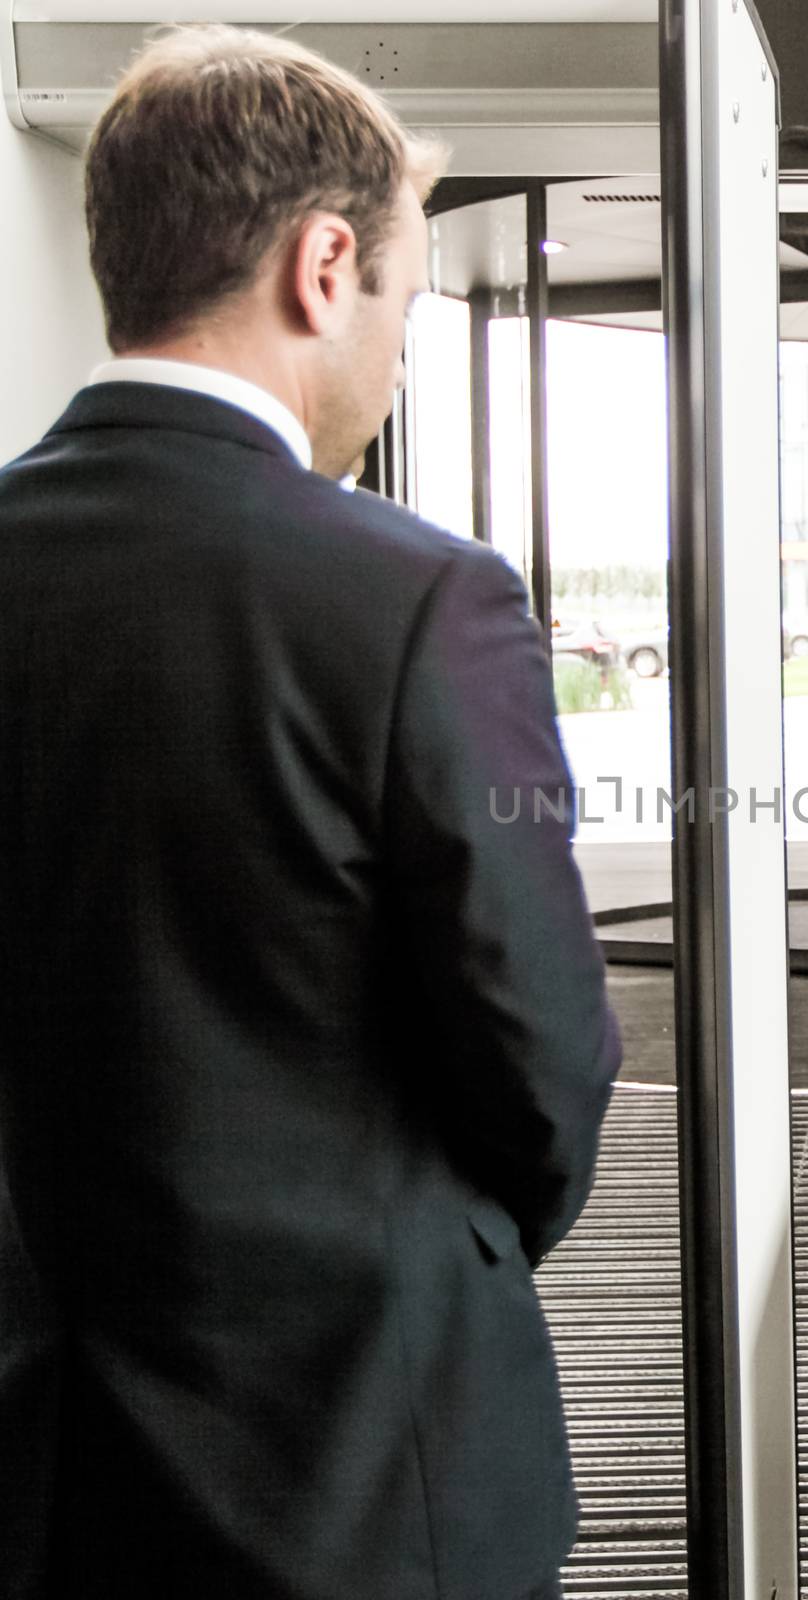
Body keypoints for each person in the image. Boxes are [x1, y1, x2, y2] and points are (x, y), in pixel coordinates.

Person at [0, 26, 620, 1600]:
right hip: (353, 1470)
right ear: (321, 264)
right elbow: (541, 1064)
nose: (399, 351)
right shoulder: (418, 600)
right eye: (405, 303)